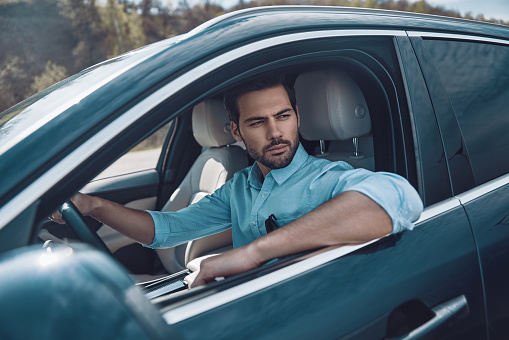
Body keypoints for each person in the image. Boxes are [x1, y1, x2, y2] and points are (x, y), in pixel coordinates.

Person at [52, 73, 423, 287]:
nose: (276, 133)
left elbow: (399, 197)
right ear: (236, 131)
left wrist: (250, 253)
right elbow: (164, 230)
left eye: (283, 116)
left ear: (297, 117)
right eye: (257, 122)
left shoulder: (326, 178)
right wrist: (93, 205)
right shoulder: (240, 187)